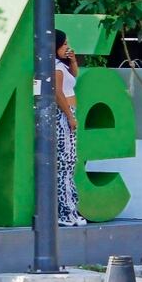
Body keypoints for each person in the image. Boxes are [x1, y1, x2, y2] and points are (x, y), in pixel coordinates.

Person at [54, 29, 85, 227]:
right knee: (65, 162)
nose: (67, 47)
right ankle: (65, 211)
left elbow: (72, 78)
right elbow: (57, 92)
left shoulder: (61, 66)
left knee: (70, 162)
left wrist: (72, 60)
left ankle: (71, 208)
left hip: (69, 112)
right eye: (64, 44)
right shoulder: (55, 67)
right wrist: (69, 116)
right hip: (64, 115)